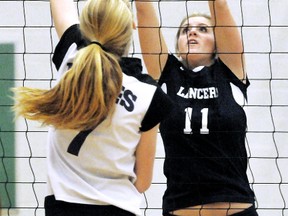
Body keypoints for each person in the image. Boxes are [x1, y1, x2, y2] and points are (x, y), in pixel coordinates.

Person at [12, 0, 173, 215]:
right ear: (130, 26)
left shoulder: (71, 60)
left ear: (85, 25)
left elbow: (61, 6)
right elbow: (143, 182)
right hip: (118, 208)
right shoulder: (149, 95)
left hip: (63, 207)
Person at [135, 0, 258, 216]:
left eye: (202, 29)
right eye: (185, 30)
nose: (192, 32)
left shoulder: (230, 71)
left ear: (217, 42)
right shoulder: (167, 75)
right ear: (178, 45)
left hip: (236, 209)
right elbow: (143, 9)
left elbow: (219, 6)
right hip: (181, 207)